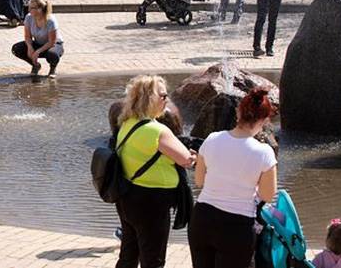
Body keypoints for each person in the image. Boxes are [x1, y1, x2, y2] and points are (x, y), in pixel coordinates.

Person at [189, 87, 278, 268]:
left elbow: (199, 181)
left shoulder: (212, 139)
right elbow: (268, 195)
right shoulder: (264, 153)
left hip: (202, 218)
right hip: (237, 225)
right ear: (263, 120)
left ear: (239, 112)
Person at [113, 75, 196, 268]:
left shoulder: (127, 122)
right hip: (151, 201)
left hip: (127, 196)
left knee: (128, 255)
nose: (167, 100)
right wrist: (195, 157)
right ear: (148, 98)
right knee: (153, 260)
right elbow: (185, 160)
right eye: (163, 96)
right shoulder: (157, 130)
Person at [11, 0, 65, 78]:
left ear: (40, 9)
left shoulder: (50, 20)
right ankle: (35, 65)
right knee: (16, 48)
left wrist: (37, 52)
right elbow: (27, 36)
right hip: (38, 43)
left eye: (32, 8)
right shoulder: (29, 17)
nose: (29, 10)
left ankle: (52, 69)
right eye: (29, 7)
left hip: (53, 45)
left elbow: (51, 42)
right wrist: (30, 47)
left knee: (52, 54)